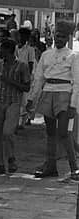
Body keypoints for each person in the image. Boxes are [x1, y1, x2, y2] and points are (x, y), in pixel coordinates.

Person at [25, 20, 79, 179]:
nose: (59, 38)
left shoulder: (73, 56)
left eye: (62, 36)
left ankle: (74, 166)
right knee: (50, 132)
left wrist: (73, 104)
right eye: (57, 35)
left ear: (68, 37)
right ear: (53, 36)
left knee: (63, 132)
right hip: (48, 92)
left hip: (64, 93)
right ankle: (51, 166)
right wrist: (31, 98)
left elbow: (77, 82)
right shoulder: (46, 54)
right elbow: (39, 78)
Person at [0, 38, 31, 175]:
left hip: (13, 102)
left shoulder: (22, 66)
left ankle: (11, 158)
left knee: (7, 132)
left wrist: (10, 81)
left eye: (1, 49)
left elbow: (26, 87)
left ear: (8, 51)